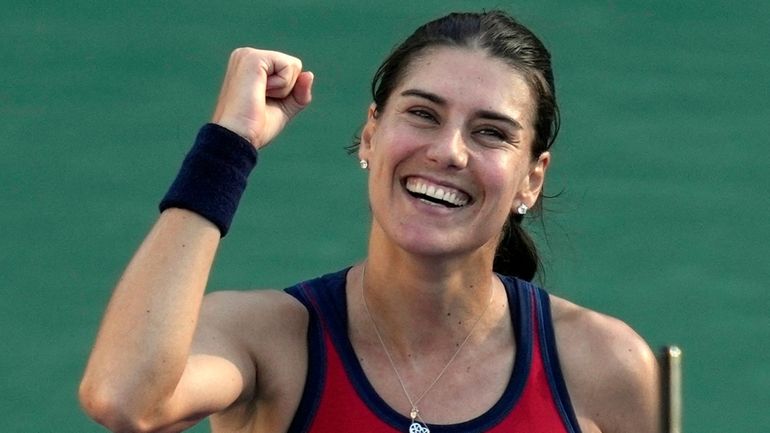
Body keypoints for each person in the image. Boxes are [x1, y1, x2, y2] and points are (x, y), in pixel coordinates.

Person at [79, 10, 660, 433]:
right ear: (370, 133)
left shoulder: (607, 365)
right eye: (422, 114)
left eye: (491, 132)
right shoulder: (268, 341)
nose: (448, 152)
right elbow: (125, 400)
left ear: (531, 178)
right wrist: (229, 146)